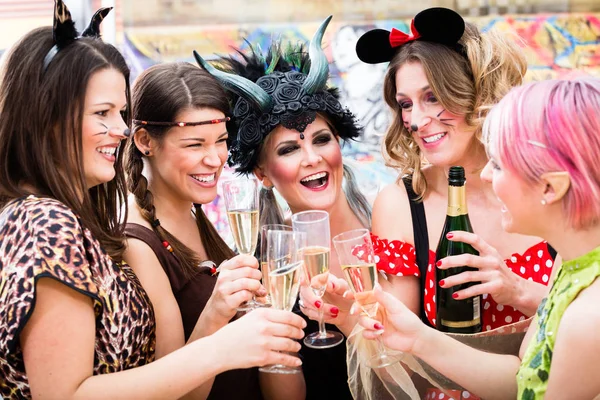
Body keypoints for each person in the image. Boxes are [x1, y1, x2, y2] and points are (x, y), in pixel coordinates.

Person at [0, 1, 305, 398]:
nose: (120, 130)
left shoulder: (69, 216)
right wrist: (220, 348)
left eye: (122, 113)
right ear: (49, 117)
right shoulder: (45, 219)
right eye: (103, 113)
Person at [358, 77, 600, 400]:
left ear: (550, 188)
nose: (485, 174)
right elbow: (522, 382)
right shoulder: (569, 264)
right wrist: (417, 337)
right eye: (406, 104)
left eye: (498, 164)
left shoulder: (587, 319)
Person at [195, 16, 370, 399]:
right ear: (263, 174)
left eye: (322, 139)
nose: (312, 158)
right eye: (289, 149)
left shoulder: (390, 226)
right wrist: (269, 328)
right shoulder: (269, 274)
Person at [123, 61, 303, 400]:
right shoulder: (138, 244)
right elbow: (175, 393)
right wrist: (217, 311)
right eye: (194, 145)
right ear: (145, 141)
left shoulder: (197, 215)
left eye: (220, 140)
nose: (215, 158)